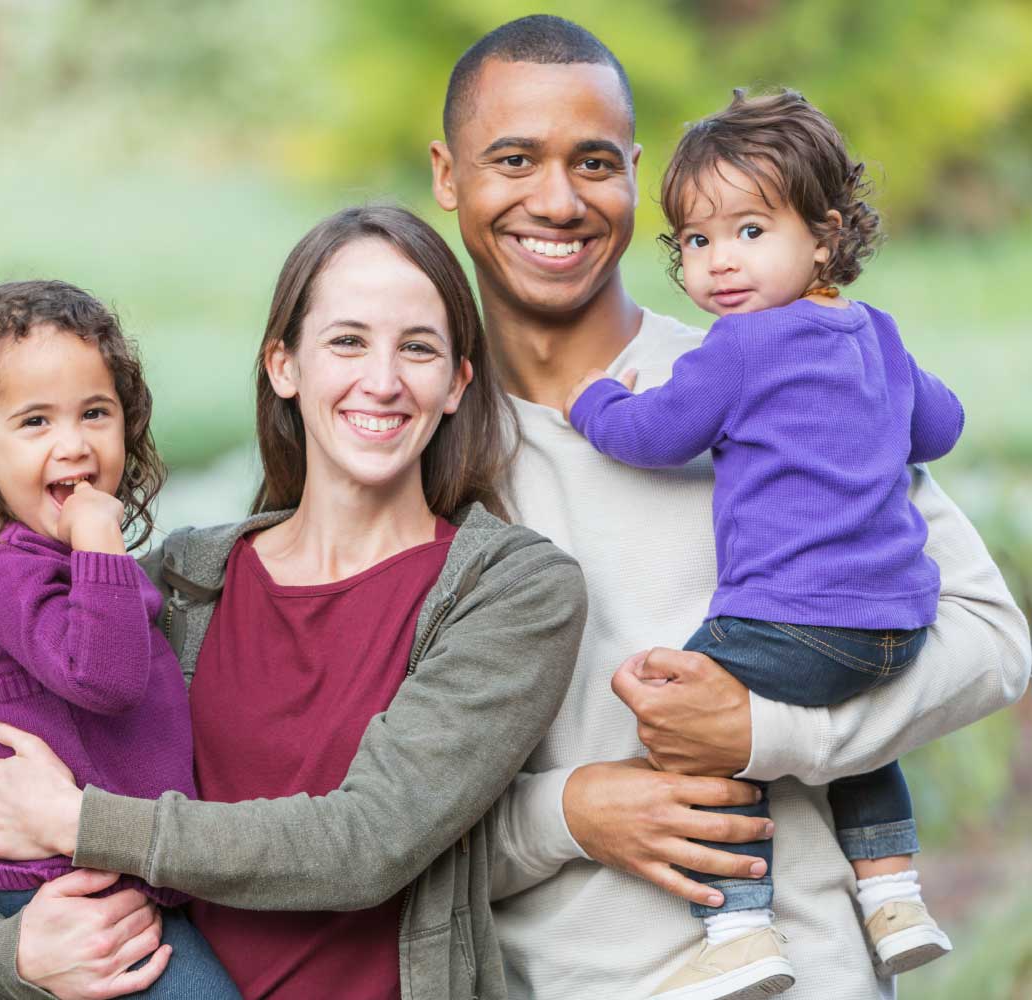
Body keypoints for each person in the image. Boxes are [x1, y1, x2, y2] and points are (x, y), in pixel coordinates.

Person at [425, 15, 1028, 1000]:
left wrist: (763, 732)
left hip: (809, 978)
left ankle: (859, 897)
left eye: (591, 161)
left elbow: (992, 641)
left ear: (633, 170)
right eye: (514, 158)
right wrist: (567, 815)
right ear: (450, 175)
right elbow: (369, 827)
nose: (557, 198)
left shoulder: (781, 358)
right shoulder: (415, 447)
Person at [0, 204, 589, 1000]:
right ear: (284, 365)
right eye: (348, 341)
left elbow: (370, 841)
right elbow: (16, 810)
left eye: (419, 348)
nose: (384, 380)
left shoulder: (512, 591)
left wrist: (85, 823)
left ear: (458, 382)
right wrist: (12, 956)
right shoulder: (181, 580)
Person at [562, 89, 959, 998]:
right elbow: (941, 426)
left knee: (678, 714)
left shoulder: (735, 349)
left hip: (792, 620)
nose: (719, 265)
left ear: (824, 237)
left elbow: (655, 436)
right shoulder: (881, 337)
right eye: (698, 242)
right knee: (859, 742)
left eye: (749, 231)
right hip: (897, 627)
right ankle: (894, 894)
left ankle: (737, 925)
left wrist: (594, 403)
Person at [0, 279, 242, 998]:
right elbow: (108, 677)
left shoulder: (51, 562)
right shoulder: (6, 569)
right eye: (35, 423)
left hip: (106, 870)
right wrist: (97, 536)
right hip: (71, 891)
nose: (74, 445)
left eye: (94, 413)